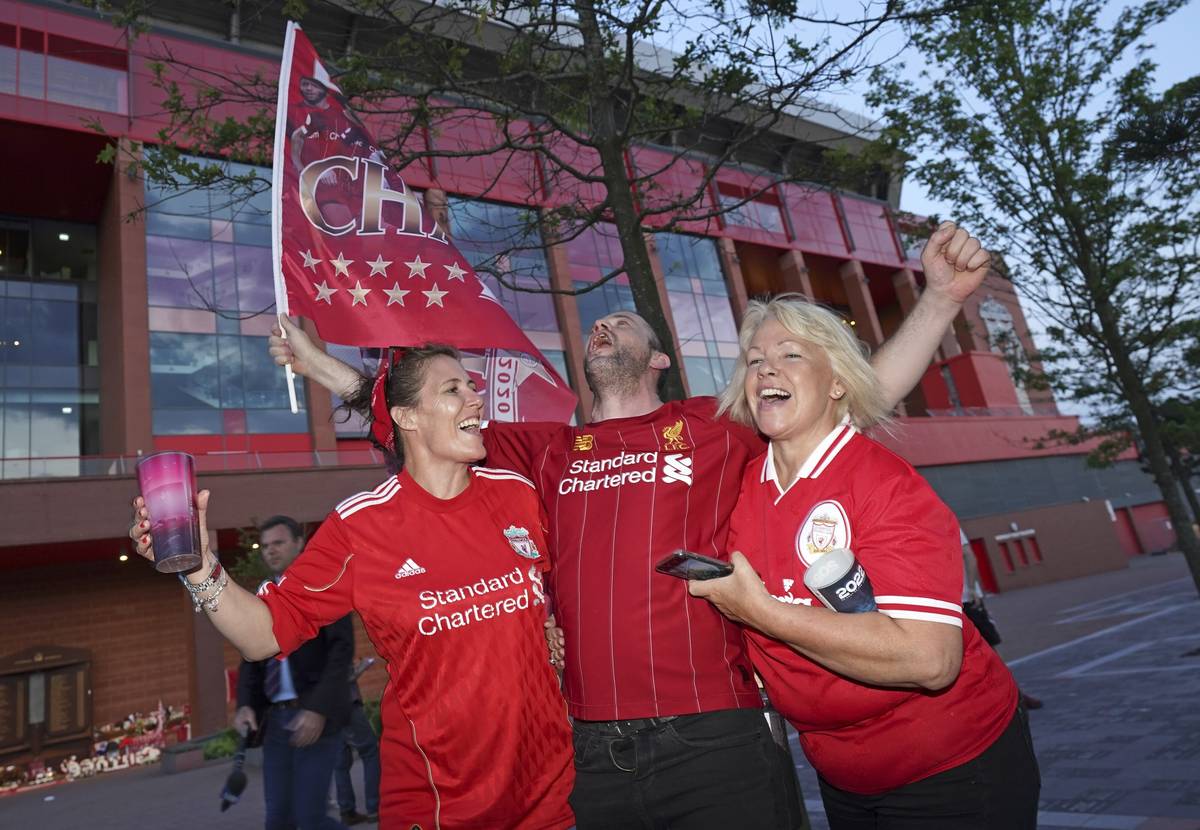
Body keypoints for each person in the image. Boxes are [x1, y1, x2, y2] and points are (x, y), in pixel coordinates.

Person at [272, 221, 993, 828]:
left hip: (718, 738)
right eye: (593, 329)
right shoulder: (544, 449)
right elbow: (418, 422)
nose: (602, 325)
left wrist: (934, 302)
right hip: (591, 753)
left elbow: (856, 394)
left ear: (658, 360)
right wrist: (321, 367)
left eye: (622, 323)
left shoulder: (716, 425)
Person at [131, 345, 574, 828]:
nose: (474, 398)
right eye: (453, 389)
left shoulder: (519, 494)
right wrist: (198, 566)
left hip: (552, 794)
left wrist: (553, 629)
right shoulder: (361, 525)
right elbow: (262, 635)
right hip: (439, 803)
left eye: (472, 386)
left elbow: (555, 593)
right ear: (406, 417)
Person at [689, 294, 1041, 828]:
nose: (766, 370)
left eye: (790, 355)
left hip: (953, 766)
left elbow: (929, 661)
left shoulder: (886, 485)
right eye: (755, 360)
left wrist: (758, 611)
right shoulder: (736, 485)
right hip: (842, 775)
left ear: (837, 383)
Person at [233, 515, 353, 830]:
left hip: (315, 719)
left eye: (279, 543)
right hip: (276, 723)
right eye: (265, 545)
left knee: (311, 819)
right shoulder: (264, 596)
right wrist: (245, 703)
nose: (270, 551)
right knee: (278, 821)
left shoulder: (323, 586)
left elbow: (341, 652)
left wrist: (317, 709)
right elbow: (251, 657)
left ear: (300, 543)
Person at [961, 529, 1043, 710]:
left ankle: (1014, 696)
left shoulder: (941, 521)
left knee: (987, 649)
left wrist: (972, 589)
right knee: (981, 651)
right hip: (956, 601)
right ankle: (1005, 697)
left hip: (963, 601)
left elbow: (969, 556)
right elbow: (969, 555)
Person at [333, 671, 381, 825]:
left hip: (328, 709)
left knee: (340, 763)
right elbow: (342, 673)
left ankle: (347, 811)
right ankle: (374, 808)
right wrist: (359, 669)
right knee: (370, 752)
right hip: (348, 703)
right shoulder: (335, 646)